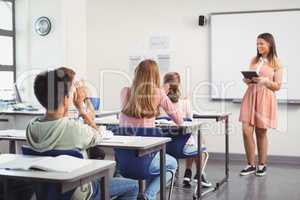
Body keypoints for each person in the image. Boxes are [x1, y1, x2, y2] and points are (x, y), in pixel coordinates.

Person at [26, 67, 138, 200]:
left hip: (46, 192)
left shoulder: (31, 128)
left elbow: (59, 122)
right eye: (73, 89)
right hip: (79, 192)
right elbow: (97, 134)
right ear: (67, 98)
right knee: (133, 186)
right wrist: (81, 107)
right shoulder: (76, 130)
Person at [119, 59, 181, 200]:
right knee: (172, 164)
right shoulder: (159, 93)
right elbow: (179, 119)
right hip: (146, 160)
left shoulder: (125, 92)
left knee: (146, 159)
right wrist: (163, 95)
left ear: (137, 74)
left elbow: (129, 114)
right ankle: (149, 195)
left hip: (123, 161)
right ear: (156, 76)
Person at [239, 33, 283, 177]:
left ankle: (262, 165)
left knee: (261, 132)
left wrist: (266, 81)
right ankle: (251, 164)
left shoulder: (276, 62)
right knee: (246, 131)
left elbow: (277, 86)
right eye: (257, 44)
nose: (259, 46)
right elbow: (252, 76)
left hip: (265, 97)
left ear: (270, 44)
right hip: (251, 95)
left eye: (261, 44)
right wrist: (247, 80)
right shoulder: (254, 59)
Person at [160, 72, 212, 188]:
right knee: (198, 140)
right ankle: (199, 174)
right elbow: (191, 123)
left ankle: (188, 173)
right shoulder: (185, 103)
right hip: (182, 147)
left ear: (165, 84)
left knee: (193, 137)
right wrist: (185, 103)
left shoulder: (158, 103)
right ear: (178, 85)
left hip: (164, 147)